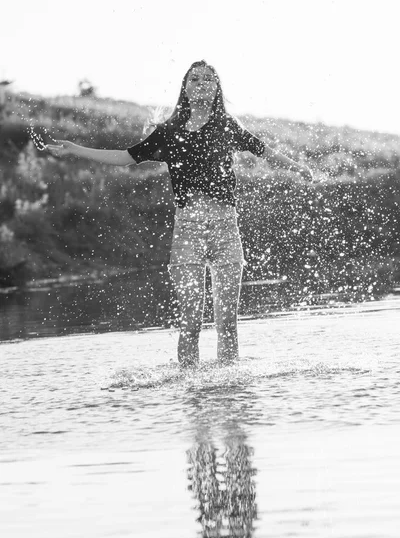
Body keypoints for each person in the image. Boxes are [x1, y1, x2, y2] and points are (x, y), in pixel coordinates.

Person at [46, 60, 312, 368]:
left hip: (226, 229)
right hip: (187, 231)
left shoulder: (228, 126)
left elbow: (263, 151)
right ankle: (191, 388)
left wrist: (297, 168)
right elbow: (125, 157)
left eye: (209, 79)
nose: (202, 83)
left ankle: (229, 386)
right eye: (195, 79)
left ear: (217, 89)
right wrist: (74, 149)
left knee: (227, 320)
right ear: (185, 88)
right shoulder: (169, 133)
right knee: (191, 321)